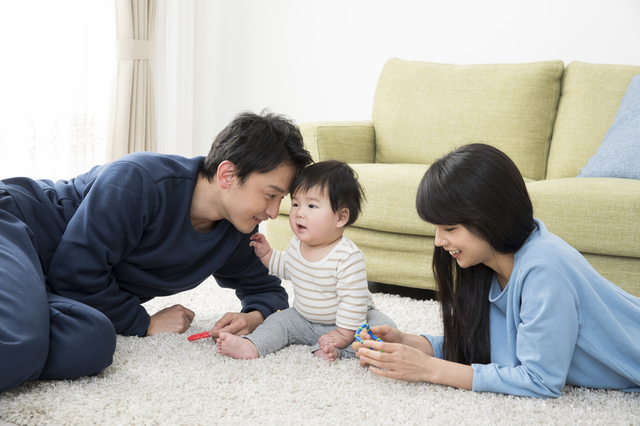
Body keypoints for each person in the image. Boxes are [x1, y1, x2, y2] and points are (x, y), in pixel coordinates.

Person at [0, 110, 313, 393]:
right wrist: (143, 323)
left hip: (48, 283)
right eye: (270, 195)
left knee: (93, 343)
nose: (274, 212)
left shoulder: (235, 231)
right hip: (14, 228)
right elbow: (75, 272)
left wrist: (253, 317)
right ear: (227, 174)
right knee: (23, 343)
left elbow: (267, 291)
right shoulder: (138, 180)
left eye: (280, 200)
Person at [354, 143, 640, 398]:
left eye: (450, 228)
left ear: (490, 217)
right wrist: (410, 343)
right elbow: (488, 348)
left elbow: (540, 380)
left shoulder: (543, 270)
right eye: (437, 228)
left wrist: (428, 369)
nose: (439, 241)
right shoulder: (488, 264)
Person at [216, 160, 396, 361]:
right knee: (278, 321)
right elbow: (287, 267)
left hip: (349, 323)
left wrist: (343, 334)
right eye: (295, 203)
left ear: (341, 217)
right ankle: (252, 345)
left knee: (383, 332)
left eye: (311, 205)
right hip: (303, 319)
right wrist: (267, 254)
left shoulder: (347, 256)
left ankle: (340, 351)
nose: (299, 213)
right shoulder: (296, 244)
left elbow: (353, 301)